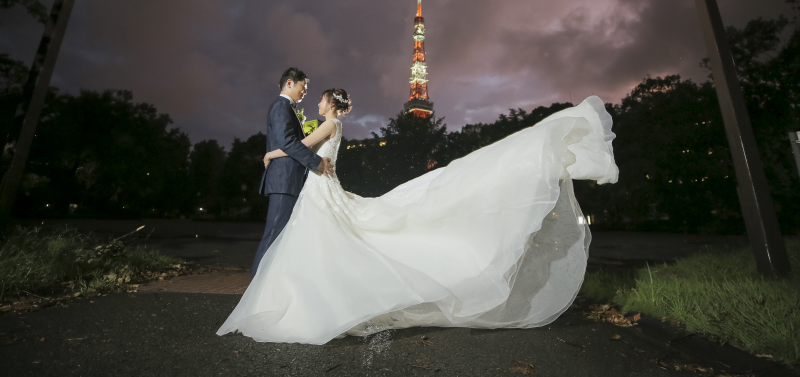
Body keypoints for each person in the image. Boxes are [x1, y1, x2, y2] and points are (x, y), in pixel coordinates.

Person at [219, 93, 618, 345]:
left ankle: (309, 298)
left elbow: (300, 146)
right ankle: (320, 291)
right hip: (325, 186)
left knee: (319, 240)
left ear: (331, 106)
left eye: (322, 101)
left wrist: (272, 153)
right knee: (329, 239)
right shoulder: (337, 123)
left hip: (320, 190)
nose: (317, 104)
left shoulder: (327, 123)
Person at [250, 68, 334, 280]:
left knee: (281, 238)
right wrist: (317, 163)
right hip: (283, 181)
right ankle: (255, 287)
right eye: (302, 85)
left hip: (289, 180)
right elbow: (288, 142)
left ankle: (268, 285)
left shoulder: (287, 108)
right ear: (289, 83)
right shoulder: (281, 106)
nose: (305, 91)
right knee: (273, 236)